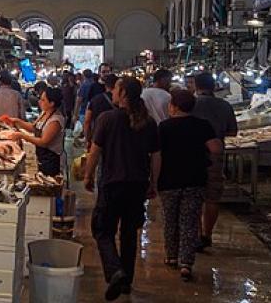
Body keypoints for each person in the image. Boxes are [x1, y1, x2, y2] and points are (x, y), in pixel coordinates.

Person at [84, 77, 161, 300]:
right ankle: (126, 280)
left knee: (102, 230)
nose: (113, 93)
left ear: (123, 93)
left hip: (112, 184)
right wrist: (153, 182)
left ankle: (115, 271)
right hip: (137, 186)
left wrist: (88, 175)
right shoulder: (149, 123)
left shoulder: (107, 119)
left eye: (116, 89)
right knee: (129, 234)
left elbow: (95, 152)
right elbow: (156, 157)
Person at [158, 90, 222, 281]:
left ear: (174, 106)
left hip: (169, 180)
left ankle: (171, 256)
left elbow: (157, 155)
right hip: (195, 179)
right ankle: (186, 263)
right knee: (189, 221)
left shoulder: (164, 127)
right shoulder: (202, 125)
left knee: (170, 220)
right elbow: (215, 148)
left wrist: (152, 180)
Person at [191, 72, 238, 250]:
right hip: (215, 156)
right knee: (212, 198)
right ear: (214, 86)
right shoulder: (224, 105)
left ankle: (195, 235)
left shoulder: (191, 104)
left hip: (193, 156)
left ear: (196, 86)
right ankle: (207, 235)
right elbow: (233, 132)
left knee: (194, 197)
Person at [5, 86, 66, 177]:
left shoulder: (55, 120)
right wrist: (17, 121)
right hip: (41, 156)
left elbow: (43, 142)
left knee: (48, 184)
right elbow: (34, 128)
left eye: (43, 100)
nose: (39, 102)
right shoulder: (44, 113)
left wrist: (22, 136)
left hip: (51, 159)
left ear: (52, 103)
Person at [84, 73, 119, 145]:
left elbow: (87, 121)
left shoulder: (95, 100)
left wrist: (88, 139)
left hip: (98, 136)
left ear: (105, 85)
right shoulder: (120, 100)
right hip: (117, 137)